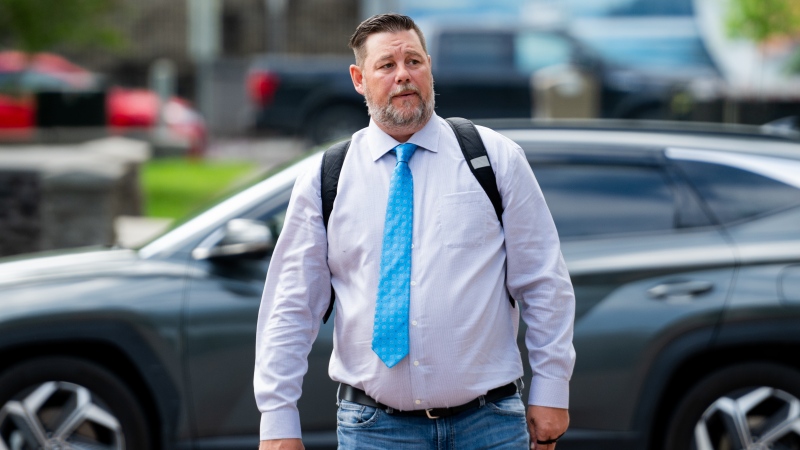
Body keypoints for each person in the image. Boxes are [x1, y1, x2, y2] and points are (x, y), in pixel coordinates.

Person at [255, 13, 575, 450]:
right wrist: (277, 418)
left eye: (414, 61)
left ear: (430, 68)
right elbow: (291, 305)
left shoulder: (492, 158)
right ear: (358, 79)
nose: (403, 75)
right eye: (386, 65)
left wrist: (552, 386)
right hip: (375, 430)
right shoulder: (326, 177)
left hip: (490, 425)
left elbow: (544, 281)